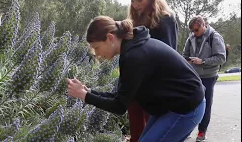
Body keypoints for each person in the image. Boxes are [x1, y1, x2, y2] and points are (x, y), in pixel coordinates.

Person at [67, 16, 205, 142]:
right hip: (173, 105)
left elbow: (120, 106)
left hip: (187, 106)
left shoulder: (135, 56)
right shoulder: (132, 49)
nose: (96, 54)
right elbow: (121, 96)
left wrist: (84, 96)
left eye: (96, 47)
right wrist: (89, 92)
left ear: (110, 38)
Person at [126, 0, 178, 141]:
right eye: (132, 1)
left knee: (154, 133)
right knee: (136, 133)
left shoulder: (165, 19)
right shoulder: (135, 18)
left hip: (155, 87)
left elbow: (168, 55)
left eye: (139, 0)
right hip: (136, 84)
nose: (135, 5)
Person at [182, 16, 226, 142]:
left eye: (196, 30)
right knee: (189, 103)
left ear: (203, 25)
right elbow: (184, 55)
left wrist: (203, 61)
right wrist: (187, 61)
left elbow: (221, 58)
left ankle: (202, 132)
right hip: (193, 75)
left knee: (206, 104)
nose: (194, 33)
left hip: (208, 76)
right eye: (192, 31)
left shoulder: (215, 37)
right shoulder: (191, 37)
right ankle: (186, 130)